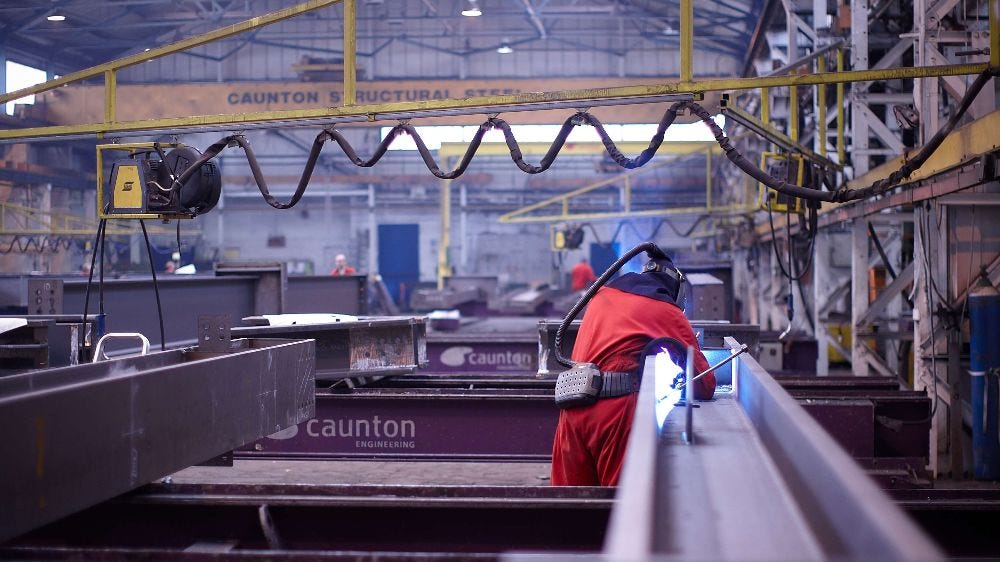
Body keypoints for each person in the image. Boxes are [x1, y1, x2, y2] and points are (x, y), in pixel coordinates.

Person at [551, 258, 716, 486]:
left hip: (572, 409)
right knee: (621, 510)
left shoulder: (602, 296)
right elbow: (705, 384)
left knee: (570, 511)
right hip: (614, 414)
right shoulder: (666, 310)